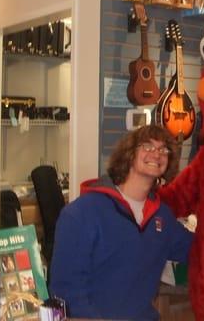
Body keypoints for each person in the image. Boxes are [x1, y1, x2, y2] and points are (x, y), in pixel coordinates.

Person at [49, 125, 193, 320]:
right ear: (129, 154)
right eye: (148, 146)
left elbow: (199, 249)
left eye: (163, 149)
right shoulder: (82, 213)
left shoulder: (161, 218)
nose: (157, 154)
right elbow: (66, 293)